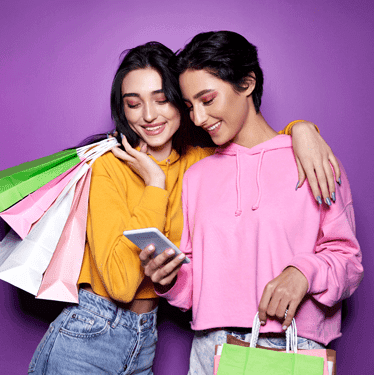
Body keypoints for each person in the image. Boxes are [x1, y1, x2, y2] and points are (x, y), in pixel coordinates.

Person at [28, 41, 340, 375]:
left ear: (180, 103)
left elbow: (256, 147)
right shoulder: (110, 165)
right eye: (133, 104)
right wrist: (154, 185)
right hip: (89, 330)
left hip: (146, 339)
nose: (148, 116)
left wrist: (302, 131)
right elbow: (121, 284)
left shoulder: (201, 162)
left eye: (162, 100)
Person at [140, 31, 364, 375]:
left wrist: (303, 272)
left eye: (207, 99)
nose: (198, 118)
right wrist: (169, 280)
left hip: (292, 349)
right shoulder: (196, 177)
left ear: (246, 83)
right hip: (210, 350)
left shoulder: (313, 159)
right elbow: (193, 287)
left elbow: (348, 263)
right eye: (189, 106)